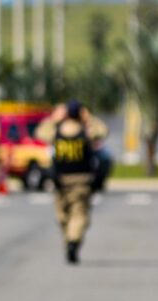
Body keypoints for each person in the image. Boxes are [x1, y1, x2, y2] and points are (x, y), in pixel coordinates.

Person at [35, 100, 108, 264]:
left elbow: (40, 132)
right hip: (81, 180)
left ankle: (70, 241)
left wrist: (53, 118)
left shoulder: (56, 131)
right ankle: (73, 241)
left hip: (60, 180)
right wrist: (89, 118)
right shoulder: (85, 132)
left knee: (63, 215)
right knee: (79, 214)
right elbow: (103, 131)